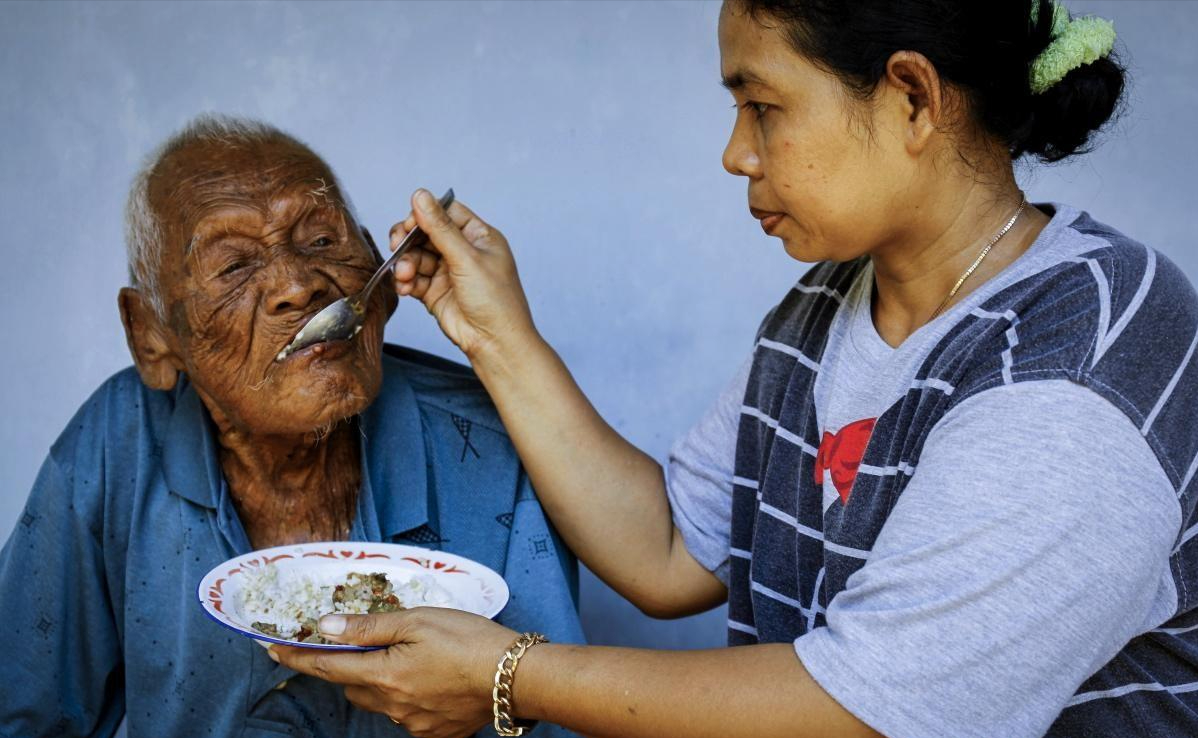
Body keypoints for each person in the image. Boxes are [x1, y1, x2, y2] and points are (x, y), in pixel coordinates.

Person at [273, 2, 1198, 738]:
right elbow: (670, 551)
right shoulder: (826, 308)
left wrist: (508, 676)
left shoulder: (1085, 360)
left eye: (763, 106)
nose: (735, 153)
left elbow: (867, 711)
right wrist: (494, 333)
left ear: (911, 98)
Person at [0, 115, 584, 738]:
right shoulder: (114, 447)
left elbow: (552, 712)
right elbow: (22, 710)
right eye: (233, 268)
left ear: (384, 285)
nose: (297, 285)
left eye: (323, 243)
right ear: (149, 335)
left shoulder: (496, 441)